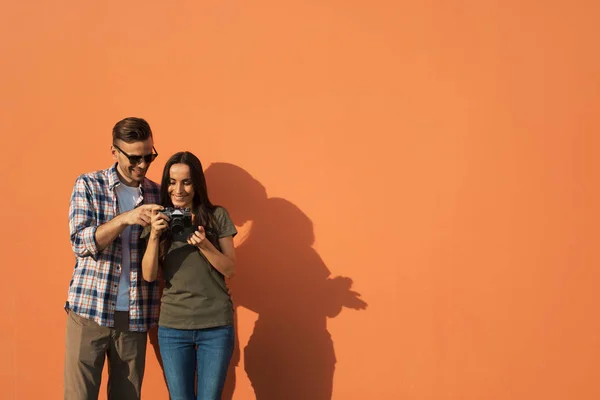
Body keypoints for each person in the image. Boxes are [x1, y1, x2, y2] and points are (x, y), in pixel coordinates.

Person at [64, 117, 163, 400]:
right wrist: (125, 219)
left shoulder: (156, 192)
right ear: (114, 152)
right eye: (134, 158)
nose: (142, 165)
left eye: (148, 156)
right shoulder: (88, 184)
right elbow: (80, 243)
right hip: (89, 311)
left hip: (134, 315)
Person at [142, 151, 237, 400]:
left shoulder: (217, 216)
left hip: (216, 326)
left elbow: (230, 269)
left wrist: (205, 244)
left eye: (186, 181)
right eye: (172, 182)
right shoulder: (157, 219)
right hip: (173, 326)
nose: (178, 189)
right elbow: (149, 276)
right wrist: (154, 235)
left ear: (197, 184)